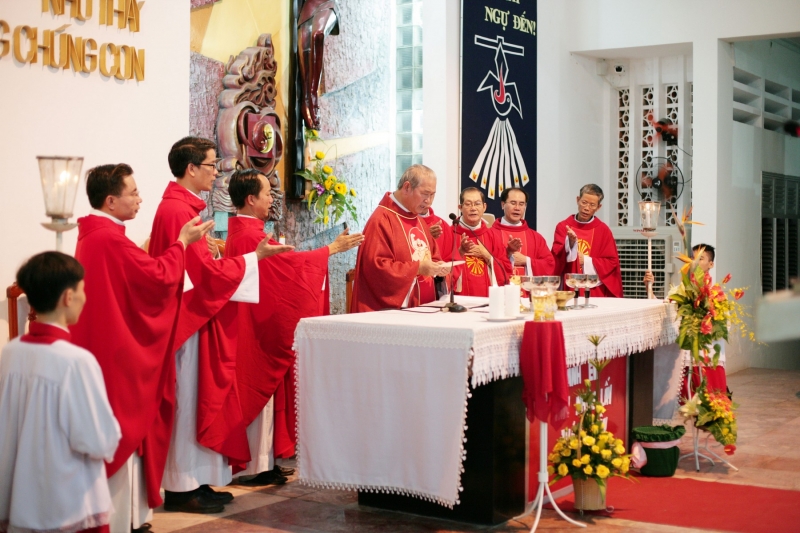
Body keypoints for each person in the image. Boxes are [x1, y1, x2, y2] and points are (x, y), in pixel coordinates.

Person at [149, 137, 293, 513]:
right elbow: (197, 275)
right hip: (187, 320)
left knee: (197, 401)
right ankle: (181, 487)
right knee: (188, 403)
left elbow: (200, 268)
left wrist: (230, 260)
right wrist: (251, 259)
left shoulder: (185, 207)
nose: (216, 173)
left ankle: (196, 481)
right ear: (191, 168)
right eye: (211, 165)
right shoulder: (176, 211)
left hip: (196, 315)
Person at [70, 164, 213, 531]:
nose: (139, 199)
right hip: (118, 352)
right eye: (132, 193)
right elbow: (157, 278)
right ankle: (122, 521)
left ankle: (129, 517)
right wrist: (181, 243)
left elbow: (135, 275)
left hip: (106, 343)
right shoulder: (109, 238)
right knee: (124, 425)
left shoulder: (95, 234)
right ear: (110, 200)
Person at [224, 169, 363, 486]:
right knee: (258, 392)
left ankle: (264, 463)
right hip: (256, 328)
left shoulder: (246, 232)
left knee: (267, 399)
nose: (271, 199)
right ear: (251, 199)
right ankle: (253, 467)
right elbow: (286, 269)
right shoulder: (248, 236)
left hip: (256, 322)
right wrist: (329, 250)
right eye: (267, 193)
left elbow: (283, 265)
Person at [0, 252, 121, 533]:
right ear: (68, 297)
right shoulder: (75, 361)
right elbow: (99, 440)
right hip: (65, 500)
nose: (84, 298)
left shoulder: (11, 352)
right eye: (82, 290)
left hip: (19, 494)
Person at [350, 164, 450, 312]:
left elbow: (433, 256)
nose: (429, 201)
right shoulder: (381, 220)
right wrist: (418, 268)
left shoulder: (419, 220)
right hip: (392, 314)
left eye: (432, 195)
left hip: (425, 308)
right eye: (425, 194)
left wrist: (438, 267)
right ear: (407, 187)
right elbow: (376, 269)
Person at [551, 184, 623, 297]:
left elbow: (612, 263)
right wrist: (569, 245)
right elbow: (555, 258)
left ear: (598, 207)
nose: (586, 208)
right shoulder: (563, 226)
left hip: (594, 289)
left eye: (592, 205)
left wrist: (585, 261)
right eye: (584, 202)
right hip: (568, 287)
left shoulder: (603, 231)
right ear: (578, 200)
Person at [447, 187, 513, 296]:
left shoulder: (493, 236)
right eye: (468, 204)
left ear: (484, 207)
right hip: (459, 300)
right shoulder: (449, 234)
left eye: (477, 204)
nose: (473, 208)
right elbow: (441, 271)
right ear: (460, 207)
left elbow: (506, 270)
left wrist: (488, 256)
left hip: (488, 300)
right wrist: (460, 253)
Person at [491, 187, 555, 277]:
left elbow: (549, 265)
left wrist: (526, 261)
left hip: (527, 286)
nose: (517, 208)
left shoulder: (535, 237)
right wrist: (508, 255)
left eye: (521, 204)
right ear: (503, 205)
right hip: (501, 286)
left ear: (525, 207)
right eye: (513, 203)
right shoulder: (490, 234)